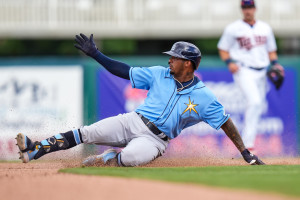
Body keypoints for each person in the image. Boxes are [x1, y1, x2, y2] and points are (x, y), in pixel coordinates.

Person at [16, 33, 265, 167]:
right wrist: (96, 54)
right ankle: (35, 149)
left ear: (188, 64)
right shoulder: (159, 73)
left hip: (155, 140)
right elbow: (124, 71)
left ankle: (109, 159)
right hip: (132, 120)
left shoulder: (204, 97)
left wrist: (244, 152)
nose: (170, 60)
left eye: (174, 58)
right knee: (87, 132)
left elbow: (225, 122)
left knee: (131, 158)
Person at [217, 0, 283, 152]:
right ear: (242, 9)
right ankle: (247, 145)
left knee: (257, 105)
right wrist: (229, 62)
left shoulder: (265, 28)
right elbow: (222, 48)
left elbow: (271, 50)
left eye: (250, 7)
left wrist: (276, 64)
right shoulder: (233, 28)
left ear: (255, 9)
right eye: (245, 7)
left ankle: (249, 142)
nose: (248, 10)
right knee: (254, 102)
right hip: (243, 70)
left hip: (263, 71)